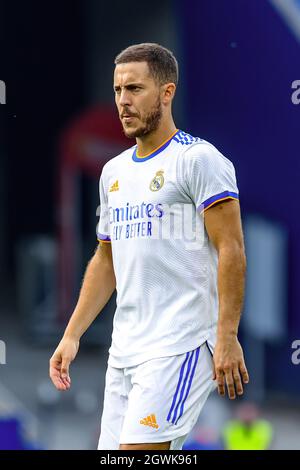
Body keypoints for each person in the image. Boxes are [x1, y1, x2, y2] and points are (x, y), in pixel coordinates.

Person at [49, 43, 249, 451]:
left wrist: (227, 335)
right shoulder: (113, 172)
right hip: (124, 353)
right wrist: (72, 335)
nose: (123, 101)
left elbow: (232, 249)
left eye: (135, 89)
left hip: (181, 345)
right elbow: (106, 259)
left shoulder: (198, 160)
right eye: (118, 90)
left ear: (166, 92)